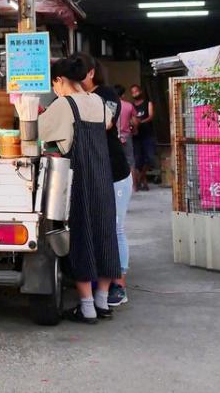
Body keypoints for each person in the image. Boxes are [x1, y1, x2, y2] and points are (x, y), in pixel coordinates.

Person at [39, 55, 121, 324]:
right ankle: (103, 301)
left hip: (79, 180)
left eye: (55, 84)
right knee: (105, 235)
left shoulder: (64, 103)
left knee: (82, 235)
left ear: (61, 80)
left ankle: (86, 307)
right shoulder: (97, 100)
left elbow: (39, 132)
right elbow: (108, 124)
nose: (55, 89)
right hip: (102, 177)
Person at [80, 58, 133, 307]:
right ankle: (101, 278)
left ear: (91, 72)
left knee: (115, 227)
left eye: (78, 73)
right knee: (99, 228)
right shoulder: (77, 96)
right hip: (96, 174)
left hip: (116, 174)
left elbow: (107, 123)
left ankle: (119, 285)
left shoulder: (106, 94)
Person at [131, 84, 155, 191]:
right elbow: (130, 118)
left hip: (148, 134)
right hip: (136, 135)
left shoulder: (148, 103)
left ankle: (140, 178)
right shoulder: (132, 106)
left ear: (140, 91)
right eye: (132, 92)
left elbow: (151, 116)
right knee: (138, 160)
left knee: (150, 158)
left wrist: (141, 122)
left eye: (136, 91)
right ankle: (143, 180)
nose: (134, 93)